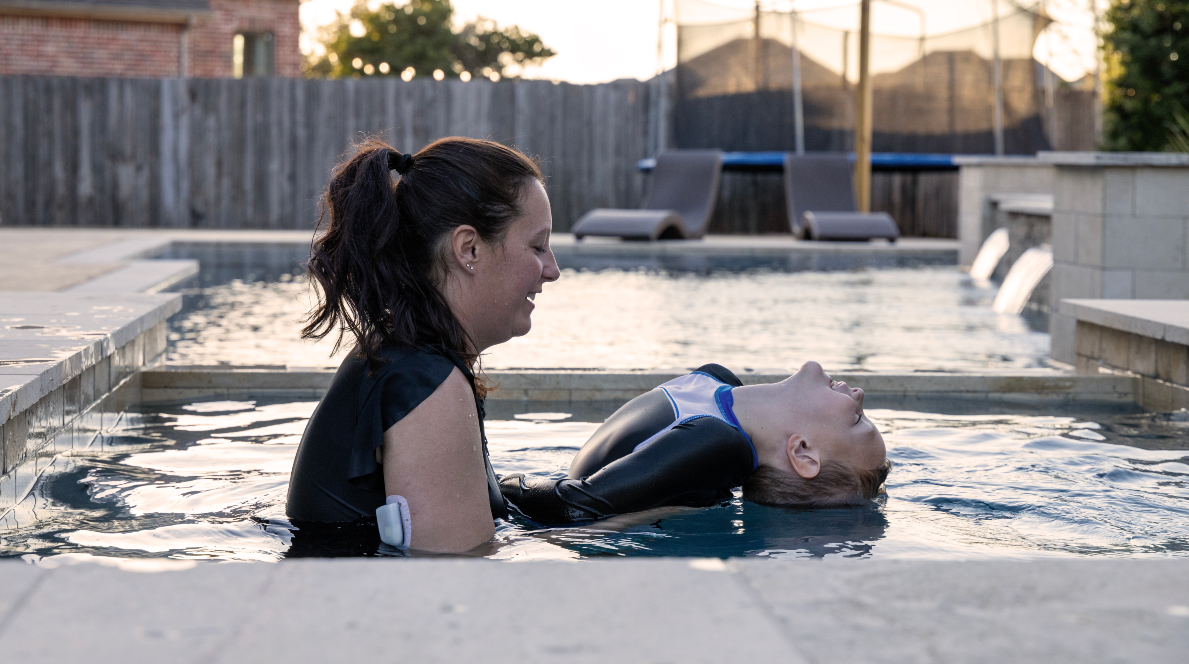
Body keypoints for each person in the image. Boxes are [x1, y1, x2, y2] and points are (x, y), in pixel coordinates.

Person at [285, 136, 560, 553]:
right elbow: (453, 586)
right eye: (538, 246)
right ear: (469, 249)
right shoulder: (427, 385)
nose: (552, 270)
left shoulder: (405, 359)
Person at [498, 361, 890, 525]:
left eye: (857, 420)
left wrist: (489, 480)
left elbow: (574, 506)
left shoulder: (720, 443)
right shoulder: (722, 382)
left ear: (802, 451)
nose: (858, 394)